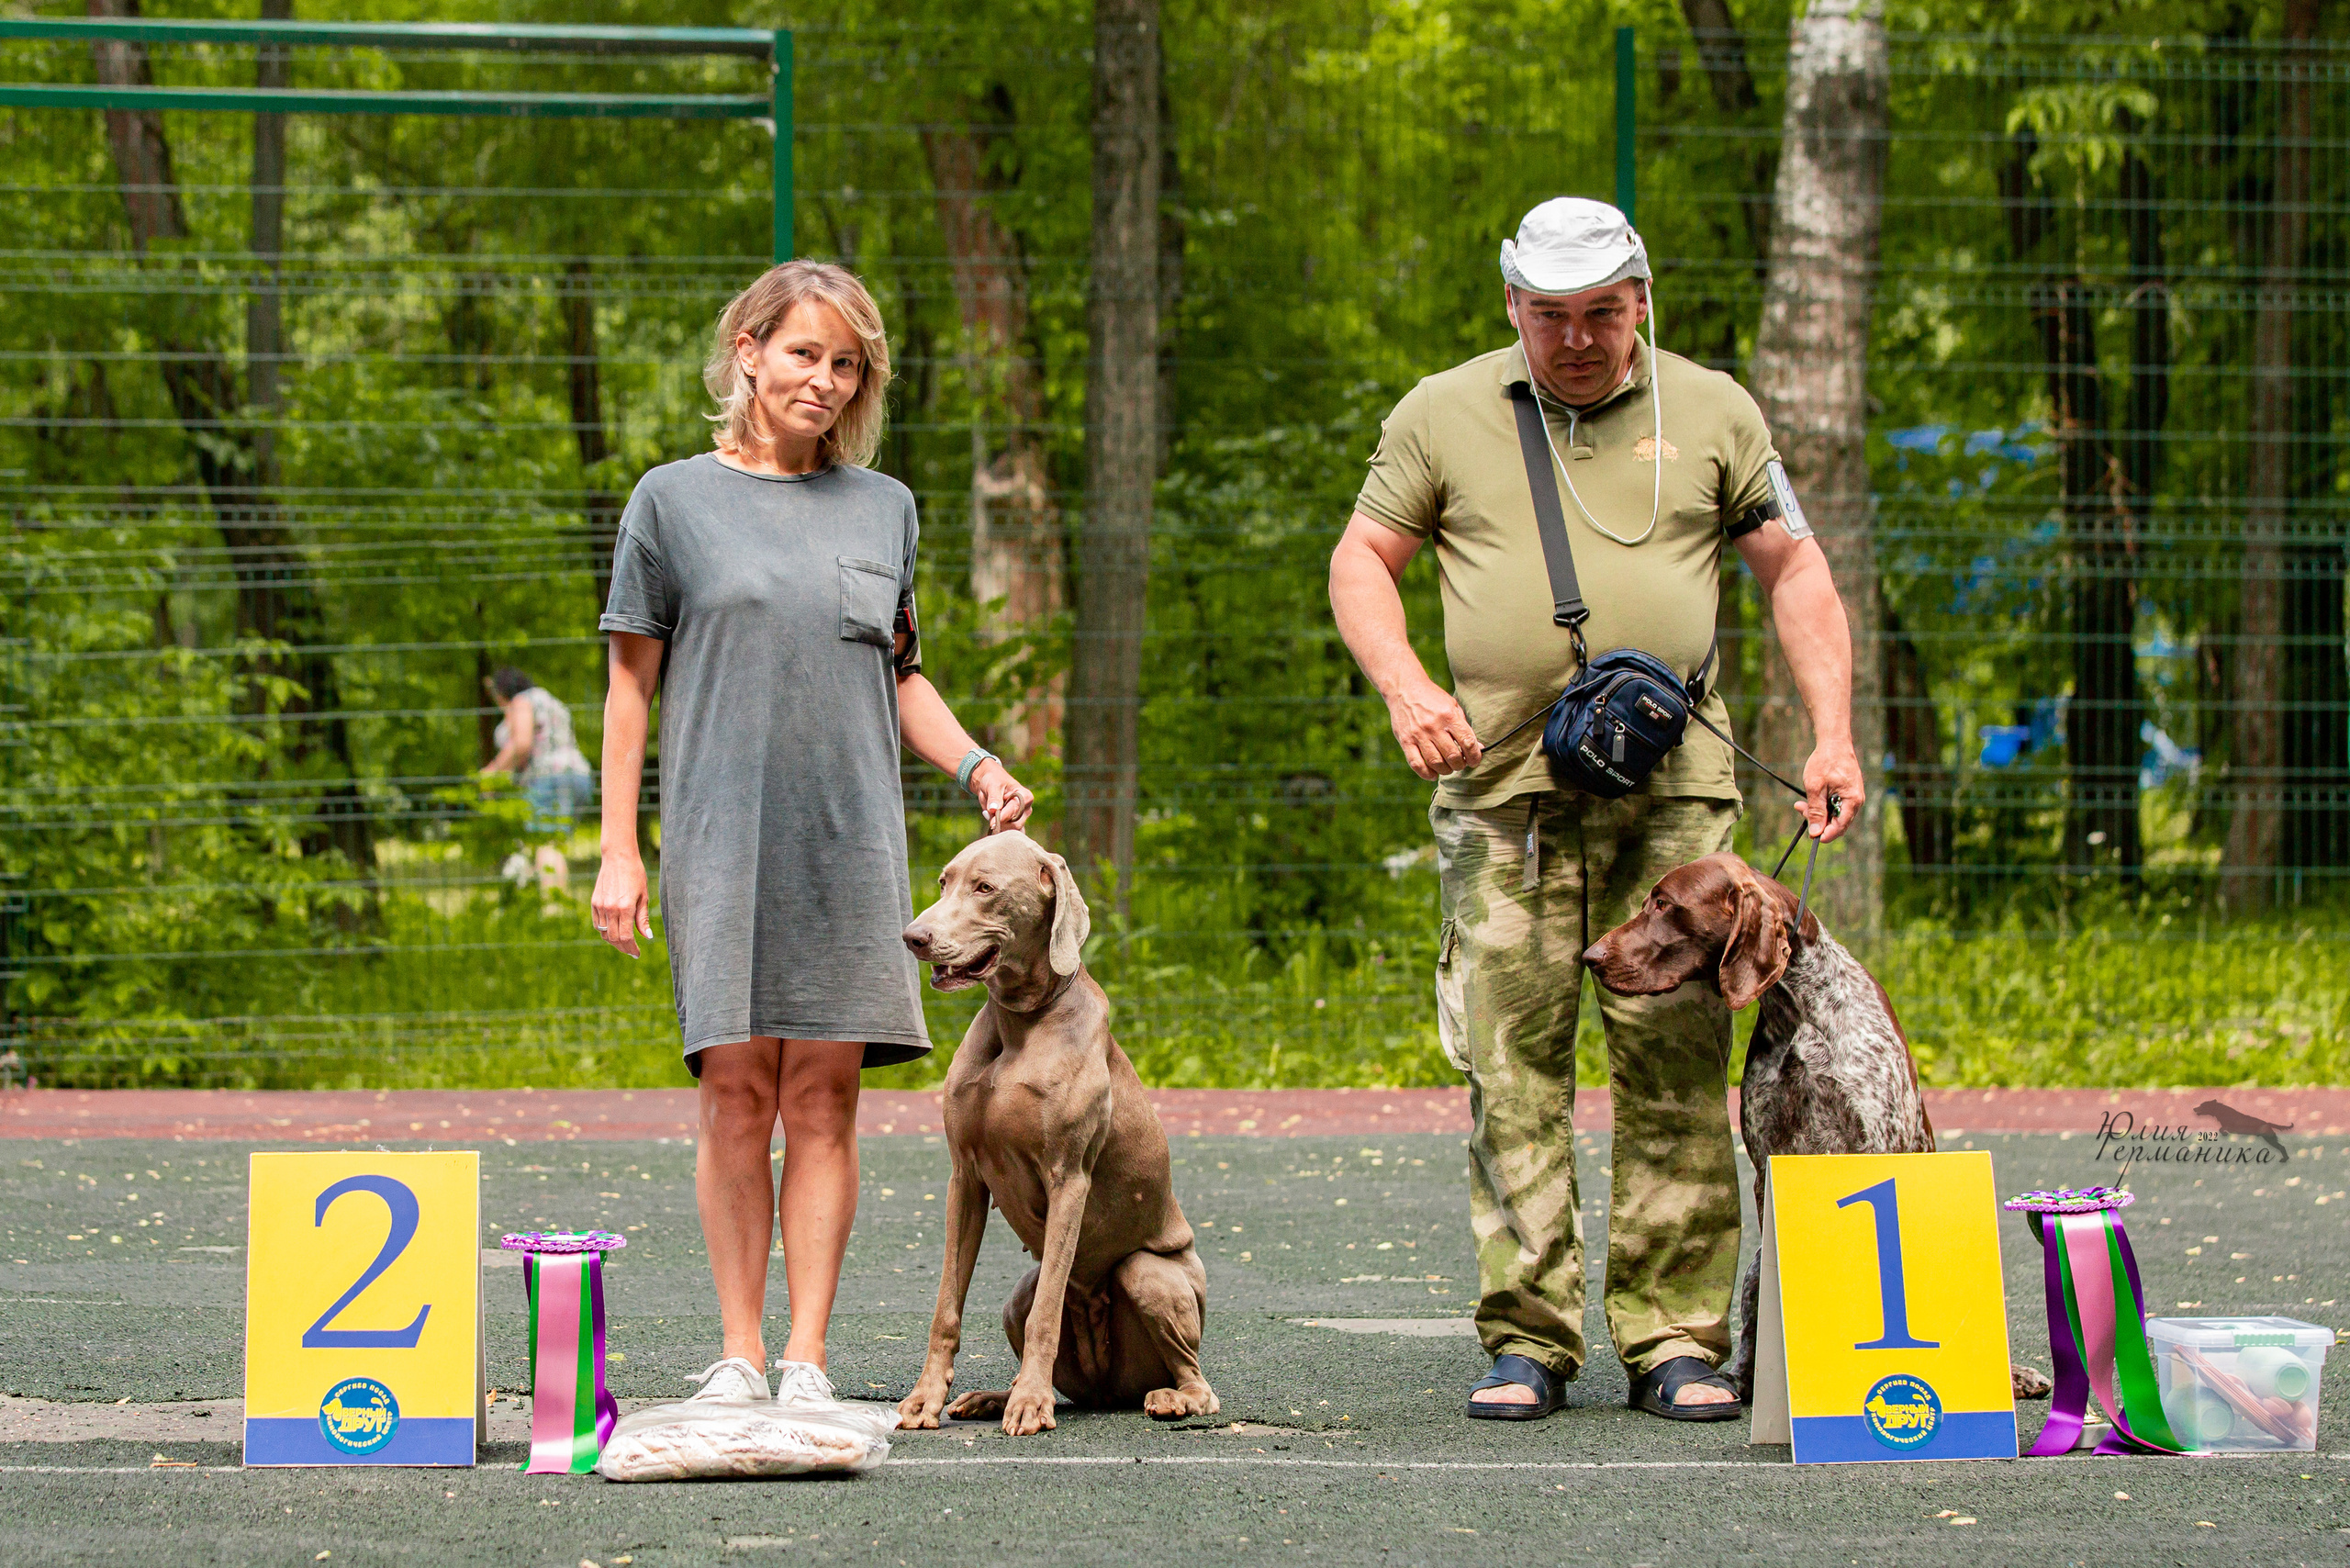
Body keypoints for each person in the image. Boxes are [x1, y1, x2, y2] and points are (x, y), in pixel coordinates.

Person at [1327, 198, 1863, 1423]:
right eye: (1550, 316)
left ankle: (1676, 1340)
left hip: (1678, 807)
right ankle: (1529, 1339)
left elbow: (1795, 568)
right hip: (1503, 797)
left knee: (1678, 1058)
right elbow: (1362, 562)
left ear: (1643, 300)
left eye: (1602, 316)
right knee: (1512, 1065)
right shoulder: (1441, 411)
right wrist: (1409, 687)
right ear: (1513, 304)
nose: (1575, 340)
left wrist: (1832, 734)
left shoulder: (1715, 407)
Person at [590, 260, 1035, 1412]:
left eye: (847, 364)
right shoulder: (669, 501)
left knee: (825, 1099)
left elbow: (900, 673)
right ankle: (738, 1352)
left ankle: (806, 1359)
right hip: (715, 835)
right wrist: (618, 848)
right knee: (737, 1091)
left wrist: (978, 764)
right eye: (804, 354)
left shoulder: (884, 507)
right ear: (747, 350)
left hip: (852, 840)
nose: (825, 381)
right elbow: (628, 690)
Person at [480, 666, 595, 891]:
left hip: (549, 778)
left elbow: (522, 743)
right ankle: (543, 902)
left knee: (546, 844)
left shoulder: (521, 702)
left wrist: (492, 773)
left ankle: (553, 912)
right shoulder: (547, 699)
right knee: (547, 845)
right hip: (578, 775)